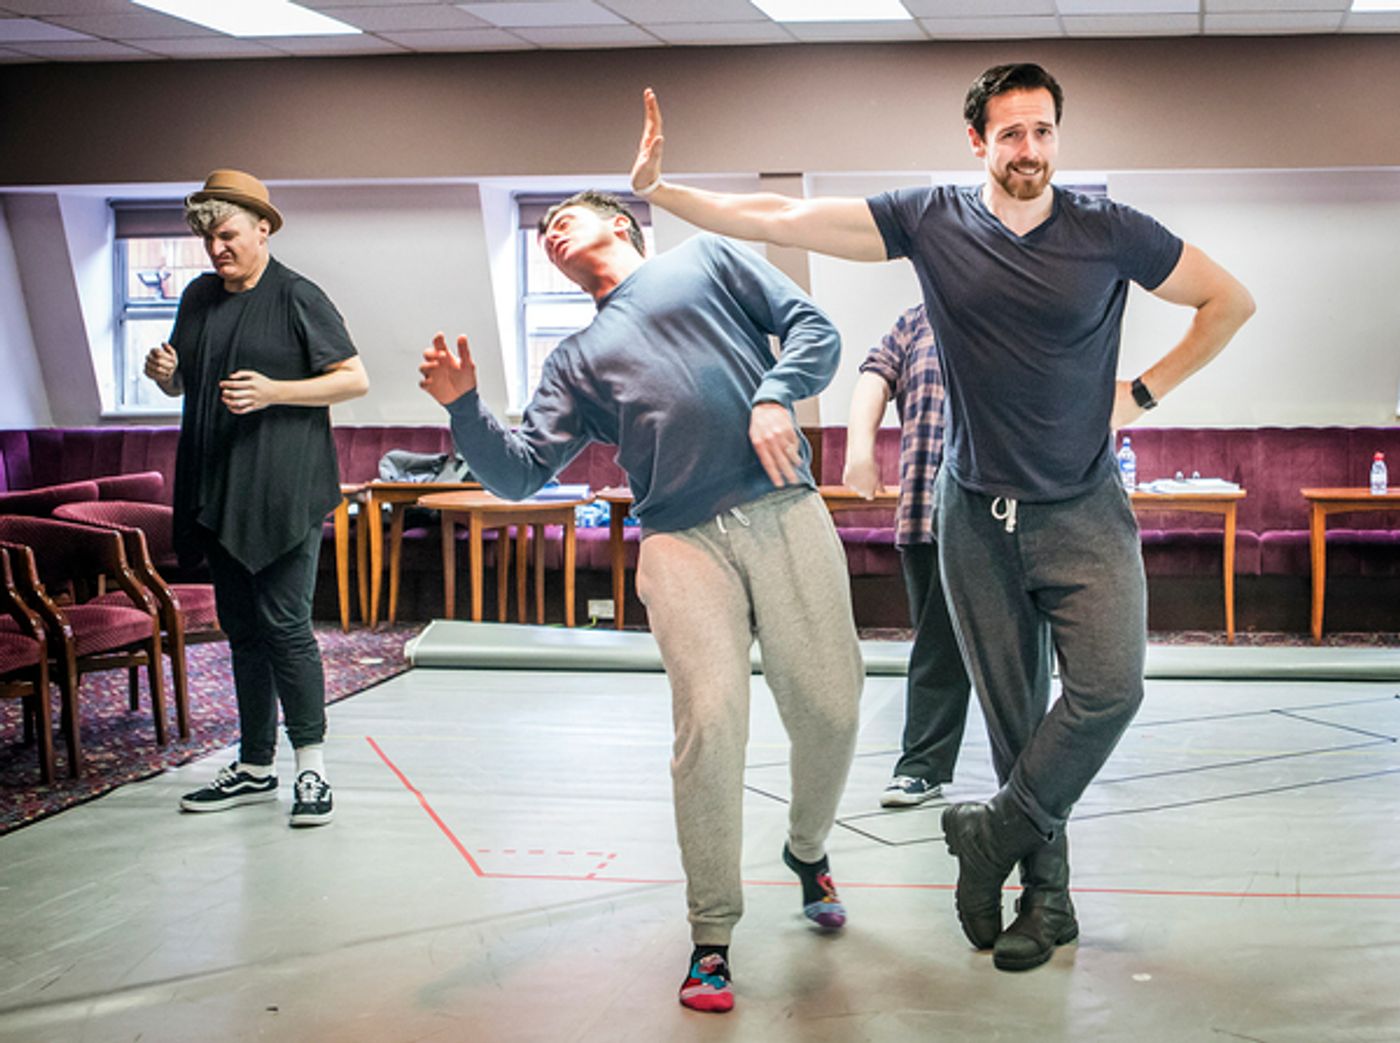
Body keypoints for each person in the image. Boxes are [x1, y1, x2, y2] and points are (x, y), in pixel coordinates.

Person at [629, 63, 1254, 972]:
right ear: (979, 142)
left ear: (1057, 137)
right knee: (1012, 719)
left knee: (1111, 688)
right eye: (1011, 134)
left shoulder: (1111, 232)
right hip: (975, 516)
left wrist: (1144, 392)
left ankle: (991, 833)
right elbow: (785, 220)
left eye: (1043, 131)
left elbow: (1228, 301)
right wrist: (662, 191)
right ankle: (1048, 902)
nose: (1029, 150)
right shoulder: (931, 221)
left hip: (1082, 507)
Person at [417, 190, 863, 1013]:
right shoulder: (575, 357)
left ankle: (806, 847)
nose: (550, 231)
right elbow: (519, 472)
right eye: (543, 230)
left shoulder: (704, 261)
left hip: (783, 506)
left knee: (831, 708)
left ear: (621, 224)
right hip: (678, 539)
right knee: (712, 717)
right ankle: (712, 938)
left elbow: (816, 330)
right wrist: (462, 406)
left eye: (567, 218)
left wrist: (774, 394)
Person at [145, 169, 369, 828]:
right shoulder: (197, 297)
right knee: (242, 632)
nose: (217, 249)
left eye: (228, 235)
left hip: (284, 490)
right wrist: (167, 376)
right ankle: (253, 763)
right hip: (216, 487)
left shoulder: (298, 295)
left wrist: (275, 391)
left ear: (262, 227)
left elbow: (353, 379)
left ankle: (311, 767)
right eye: (209, 239)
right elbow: (184, 382)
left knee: (285, 628)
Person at [845, 303, 1003, 809]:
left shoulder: (1023, 304)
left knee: (1018, 651)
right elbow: (875, 375)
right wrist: (859, 452)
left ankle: (1030, 772)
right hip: (928, 510)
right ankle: (921, 767)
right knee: (936, 646)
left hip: (1008, 512)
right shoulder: (918, 320)